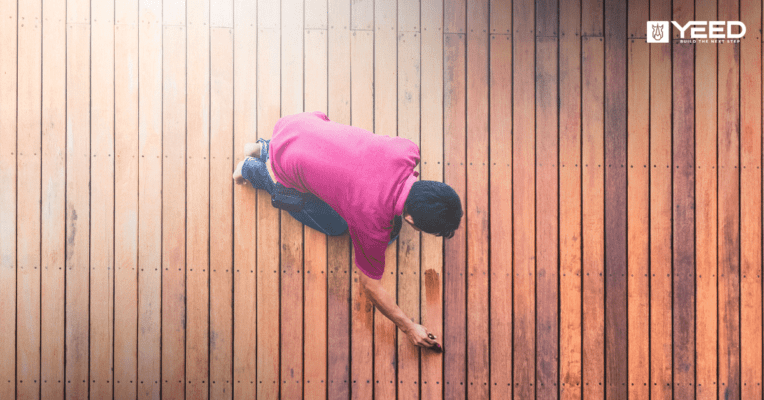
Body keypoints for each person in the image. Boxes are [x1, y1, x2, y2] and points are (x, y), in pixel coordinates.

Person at [232, 111, 462, 351]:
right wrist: (408, 327)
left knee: (312, 158)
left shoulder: (408, 151)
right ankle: (251, 169)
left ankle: (263, 147)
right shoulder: (372, 222)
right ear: (412, 219)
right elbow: (370, 285)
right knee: (335, 226)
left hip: (298, 123)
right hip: (284, 169)